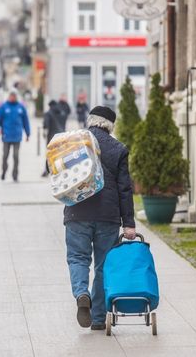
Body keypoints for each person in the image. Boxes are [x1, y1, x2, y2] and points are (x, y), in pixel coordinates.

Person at [63, 106, 136, 331]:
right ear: (110, 125)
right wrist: (129, 224)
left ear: (90, 121)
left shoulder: (75, 143)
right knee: (104, 265)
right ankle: (97, 318)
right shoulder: (118, 149)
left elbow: (54, 168)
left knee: (78, 258)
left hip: (77, 211)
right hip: (108, 216)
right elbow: (125, 188)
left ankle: (81, 293)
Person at [0, 91, 31, 182]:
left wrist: (28, 133)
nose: (13, 98)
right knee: (5, 155)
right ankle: (4, 171)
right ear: (9, 97)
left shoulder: (21, 107)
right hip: (6, 136)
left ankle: (15, 175)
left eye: (14, 96)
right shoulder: (3, 107)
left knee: (16, 156)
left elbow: (26, 121)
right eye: (11, 96)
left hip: (17, 136)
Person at [42, 100, 65, 177]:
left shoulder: (48, 113)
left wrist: (44, 131)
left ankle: (47, 171)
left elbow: (46, 124)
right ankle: (60, 169)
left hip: (52, 137)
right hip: (62, 135)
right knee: (60, 153)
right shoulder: (61, 112)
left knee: (50, 154)